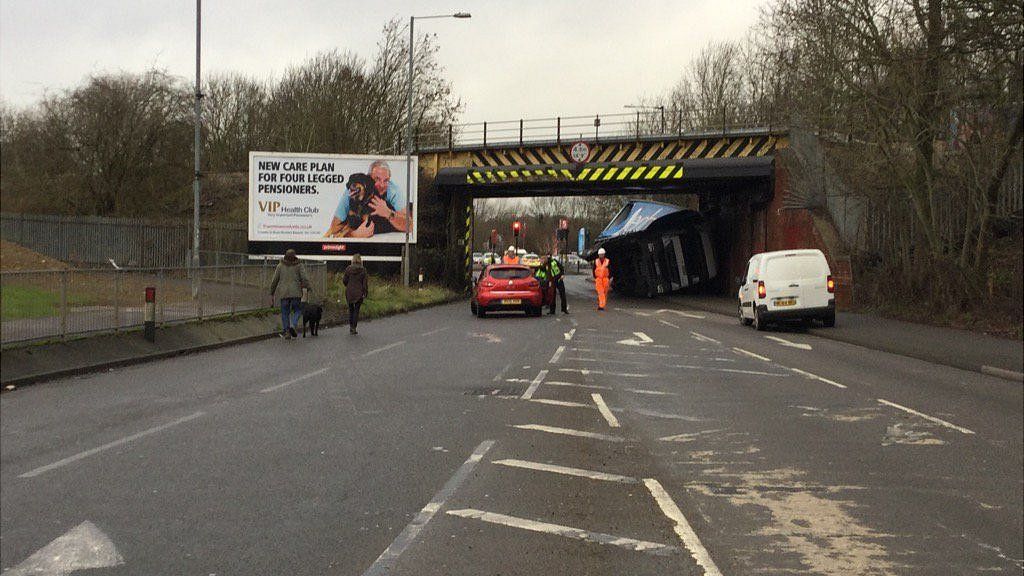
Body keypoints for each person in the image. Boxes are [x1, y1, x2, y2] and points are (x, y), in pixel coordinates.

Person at [326, 159, 410, 239]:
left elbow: (410, 225)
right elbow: (334, 228)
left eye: (386, 180)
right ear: (368, 179)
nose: (382, 185)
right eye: (377, 179)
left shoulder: (394, 190)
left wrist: (388, 213)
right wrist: (354, 235)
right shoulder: (353, 191)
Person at [269, 249, 311, 339]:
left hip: (284, 293)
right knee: (298, 310)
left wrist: (272, 292)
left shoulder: (280, 266)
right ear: (294, 256)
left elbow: (274, 280)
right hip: (296, 293)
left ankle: (287, 332)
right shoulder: (299, 265)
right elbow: (304, 278)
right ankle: (293, 324)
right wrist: (308, 287)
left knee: (285, 312)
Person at [342, 254, 369, 334]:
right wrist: (365, 292)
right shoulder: (363, 270)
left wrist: (348, 285)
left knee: (351, 310)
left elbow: (344, 280)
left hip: (349, 292)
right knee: (356, 310)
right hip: (359, 292)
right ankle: (354, 327)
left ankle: (351, 326)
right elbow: (365, 284)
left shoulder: (348, 269)